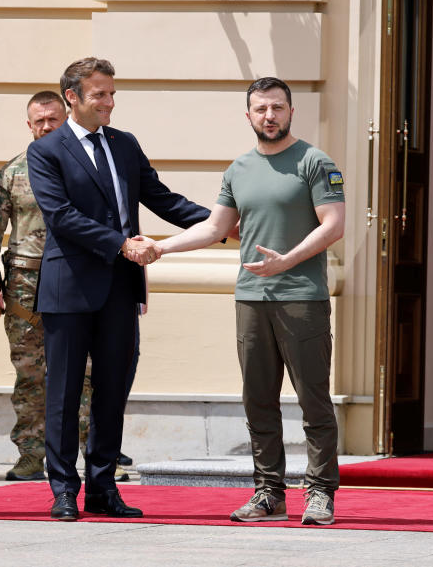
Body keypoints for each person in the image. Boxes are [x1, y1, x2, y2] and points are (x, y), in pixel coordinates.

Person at [132, 76, 346, 526]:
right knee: (257, 400)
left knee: (313, 400)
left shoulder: (314, 162)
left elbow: (333, 225)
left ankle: (320, 493)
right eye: (261, 109)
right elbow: (214, 228)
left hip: (301, 299)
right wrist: (161, 247)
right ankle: (269, 494)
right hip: (251, 298)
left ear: (291, 112)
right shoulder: (239, 169)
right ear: (248, 115)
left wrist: (287, 260)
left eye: (277, 108)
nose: (269, 116)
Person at [27, 57, 210, 521]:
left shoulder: (124, 145)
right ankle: (64, 490)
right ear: (72, 97)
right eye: (99, 95)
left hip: (120, 290)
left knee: (113, 392)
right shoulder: (46, 150)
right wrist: (122, 244)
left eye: (112, 94)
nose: (109, 102)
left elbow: (162, 198)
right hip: (69, 289)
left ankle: (103, 488)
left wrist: (224, 222)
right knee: (64, 396)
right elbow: (61, 217)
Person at [0, 91, 101, 482]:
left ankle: (87, 453)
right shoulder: (13, 172)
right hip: (24, 290)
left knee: (84, 372)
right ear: (29, 125)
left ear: (65, 117)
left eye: (53, 119)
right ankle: (31, 455)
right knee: (30, 375)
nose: (46, 126)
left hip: (79, 283)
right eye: (39, 121)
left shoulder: (86, 167)